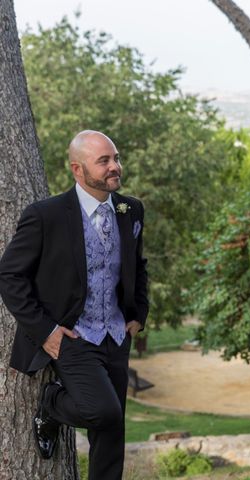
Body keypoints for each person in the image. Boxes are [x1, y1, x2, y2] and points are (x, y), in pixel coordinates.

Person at [0, 130, 148, 480]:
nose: (116, 167)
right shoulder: (46, 215)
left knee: (111, 435)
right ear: (78, 170)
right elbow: (9, 276)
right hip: (72, 334)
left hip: (115, 332)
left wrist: (138, 314)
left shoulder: (130, 210)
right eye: (104, 161)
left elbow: (138, 266)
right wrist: (45, 331)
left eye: (115, 158)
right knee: (104, 413)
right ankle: (52, 404)